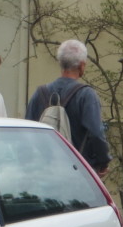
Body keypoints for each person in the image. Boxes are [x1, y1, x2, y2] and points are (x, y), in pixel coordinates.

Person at [25, 39, 111, 175]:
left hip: (44, 171)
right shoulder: (86, 95)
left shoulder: (40, 93)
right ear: (82, 65)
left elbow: (27, 132)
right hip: (77, 172)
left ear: (60, 63)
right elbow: (96, 134)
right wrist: (103, 162)